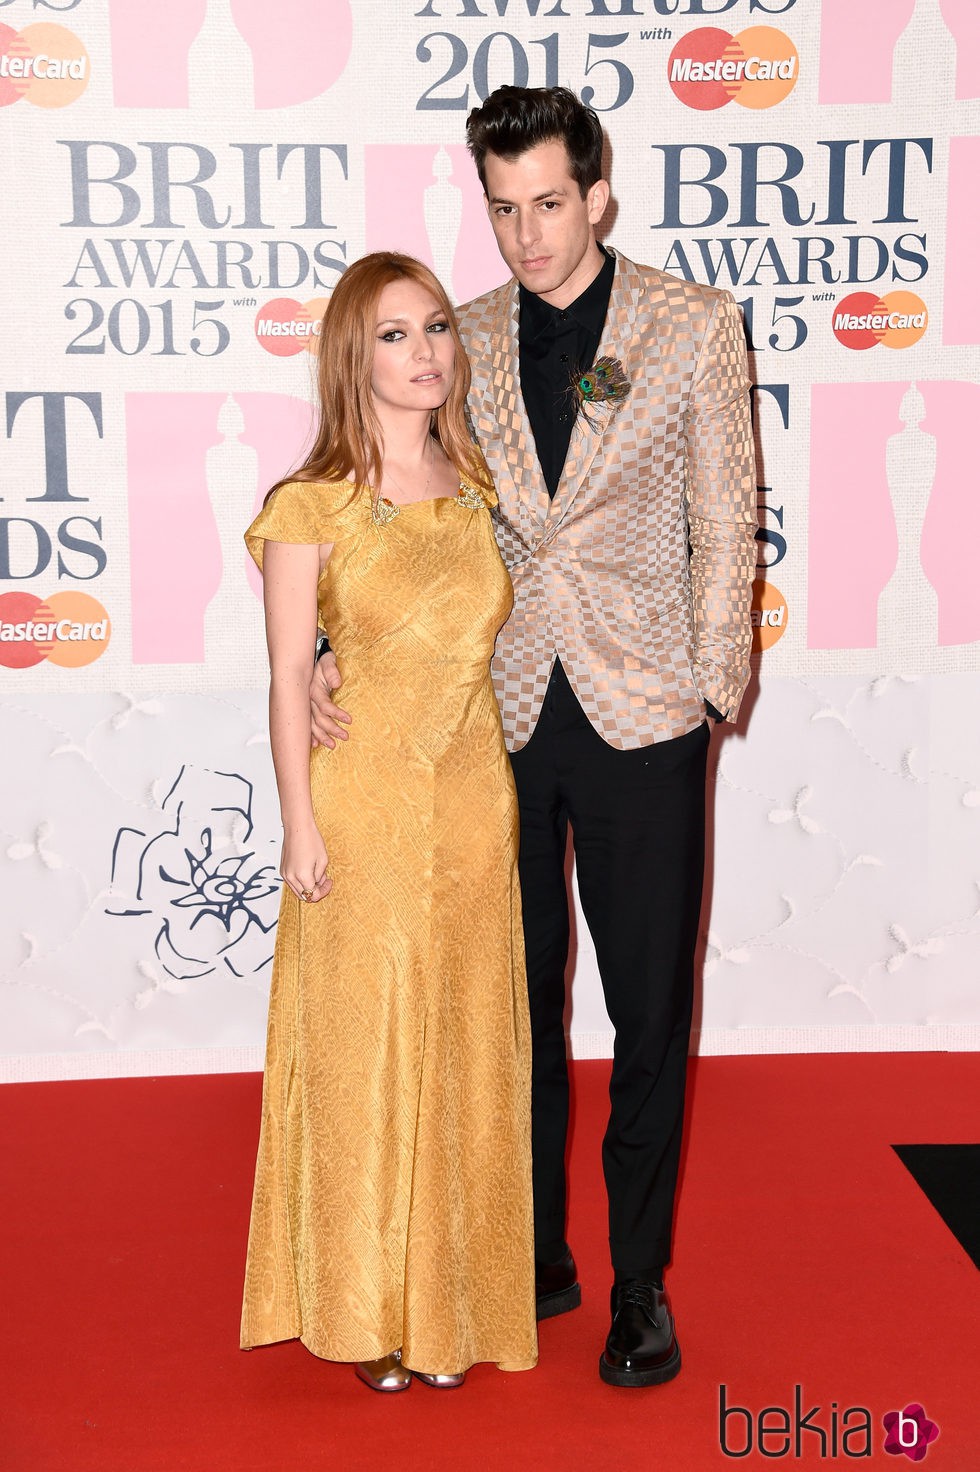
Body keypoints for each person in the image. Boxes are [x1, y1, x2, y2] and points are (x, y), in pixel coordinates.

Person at [312, 87, 757, 1388]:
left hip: (644, 716)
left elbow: (728, 521)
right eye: (504, 209)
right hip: (487, 721)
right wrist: (338, 641)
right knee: (512, 1015)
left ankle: (639, 1288)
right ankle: (534, 1257)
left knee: (647, 1017)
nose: (528, 237)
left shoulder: (691, 325)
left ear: (598, 195)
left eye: (550, 205)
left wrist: (712, 685)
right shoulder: (466, 336)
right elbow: (390, 499)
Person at [240, 251, 537, 1393]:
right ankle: (367, 1307)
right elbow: (282, 678)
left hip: (470, 800)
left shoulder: (479, 490)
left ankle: (446, 1305)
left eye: (436, 331)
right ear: (350, 360)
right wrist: (297, 823)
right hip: (357, 804)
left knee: (464, 1042)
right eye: (394, 337)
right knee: (366, 1050)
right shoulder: (308, 503)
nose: (426, 355)